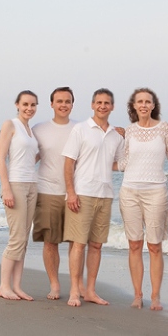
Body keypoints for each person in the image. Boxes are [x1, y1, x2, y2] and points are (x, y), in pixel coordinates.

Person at [62, 88, 125, 307]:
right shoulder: (81, 129)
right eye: (99, 102)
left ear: (112, 106)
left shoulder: (117, 136)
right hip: (82, 193)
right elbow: (69, 162)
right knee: (78, 244)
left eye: (107, 103)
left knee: (96, 246)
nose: (102, 106)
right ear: (92, 105)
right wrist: (70, 192)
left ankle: (90, 291)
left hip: (105, 194)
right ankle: (73, 291)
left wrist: (130, 139)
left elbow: (119, 164)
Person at [118, 88, 168, 310]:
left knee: (155, 245)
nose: (143, 105)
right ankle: (138, 295)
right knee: (134, 244)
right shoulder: (128, 131)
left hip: (157, 191)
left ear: (153, 105)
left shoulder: (164, 128)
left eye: (147, 102)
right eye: (139, 101)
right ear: (133, 106)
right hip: (129, 191)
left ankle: (156, 296)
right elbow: (122, 164)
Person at [31, 87, 76, 300]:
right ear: (51, 104)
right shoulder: (39, 129)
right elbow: (29, 157)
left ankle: (77, 285)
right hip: (47, 190)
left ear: (72, 104)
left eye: (67, 101)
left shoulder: (80, 129)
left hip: (75, 193)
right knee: (50, 241)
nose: (63, 104)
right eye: (59, 101)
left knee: (76, 242)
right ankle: (55, 285)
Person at [0, 90, 40, 301]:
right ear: (17, 104)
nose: (29, 108)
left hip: (32, 185)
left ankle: (17, 286)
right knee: (16, 238)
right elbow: (1, 159)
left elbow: (30, 157)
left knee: (24, 238)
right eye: (25, 104)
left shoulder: (30, 130)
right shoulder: (10, 125)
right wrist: (6, 188)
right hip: (16, 185)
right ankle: (4, 286)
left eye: (33, 105)